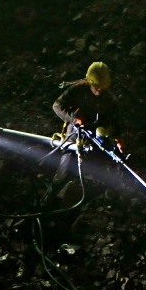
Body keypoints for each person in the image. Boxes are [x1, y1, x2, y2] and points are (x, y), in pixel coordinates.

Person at [49, 61, 121, 193]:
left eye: (102, 87)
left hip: (97, 142)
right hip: (75, 139)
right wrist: (74, 118)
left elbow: (116, 121)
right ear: (89, 82)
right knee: (63, 175)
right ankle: (49, 200)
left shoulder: (109, 99)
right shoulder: (78, 90)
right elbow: (57, 106)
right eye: (96, 87)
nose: (99, 90)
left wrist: (117, 138)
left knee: (102, 181)